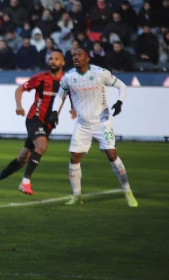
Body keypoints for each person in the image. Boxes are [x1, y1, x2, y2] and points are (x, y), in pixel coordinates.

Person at [50, 48, 137, 207]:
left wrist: (119, 103)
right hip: (82, 125)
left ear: (87, 58)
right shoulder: (69, 77)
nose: (76, 57)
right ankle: (77, 196)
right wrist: (55, 112)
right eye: (74, 55)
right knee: (74, 158)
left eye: (80, 55)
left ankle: (127, 191)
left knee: (112, 155)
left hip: (102, 122)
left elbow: (122, 86)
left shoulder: (100, 73)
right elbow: (60, 95)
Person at [0, 51, 66, 196]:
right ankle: (25, 182)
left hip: (48, 124)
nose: (52, 61)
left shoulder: (67, 81)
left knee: (23, 158)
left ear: (63, 63)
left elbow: (72, 95)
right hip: (34, 118)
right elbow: (20, 89)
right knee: (42, 146)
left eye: (56, 59)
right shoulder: (41, 78)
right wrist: (19, 105)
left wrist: (74, 109)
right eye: (50, 59)